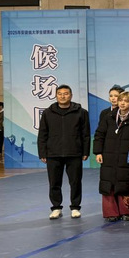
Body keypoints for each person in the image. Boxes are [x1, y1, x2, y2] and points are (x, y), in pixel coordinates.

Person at [37, 85, 91, 219]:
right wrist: (42, 152)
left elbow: (85, 134)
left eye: (66, 93)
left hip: (74, 152)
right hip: (53, 153)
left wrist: (85, 151)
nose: (62, 96)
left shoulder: (81, 112)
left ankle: (75, 207)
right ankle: (56, 207)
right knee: (54, 182)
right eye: (60, 94)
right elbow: (42, 134)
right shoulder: (48, 113)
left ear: (71, 95)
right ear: (56, 96)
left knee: (75, 182)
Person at [94, 91, 129, 221]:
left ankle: (125, 211)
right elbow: (99, 134)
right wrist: (98, 152)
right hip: (108, 156)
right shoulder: (109, 116)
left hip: (127, 156)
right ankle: (111, 212)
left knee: (125, 182)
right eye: (121, 100)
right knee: (108, 182)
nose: (122, 103)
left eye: (126, 101)